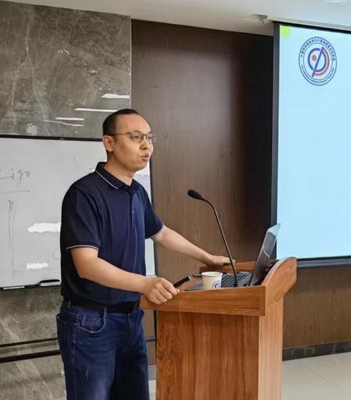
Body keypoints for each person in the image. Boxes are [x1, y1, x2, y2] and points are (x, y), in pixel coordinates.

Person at [56, 108, 229, 400]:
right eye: (136, 137)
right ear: (109, 143)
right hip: (91, 321)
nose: (146, 146)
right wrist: (145, 283)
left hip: (131, 317)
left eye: (149, 138)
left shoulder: (136, 191)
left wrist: (207, 258)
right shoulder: (85, 194)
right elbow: (87, 264)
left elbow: (161, 233)